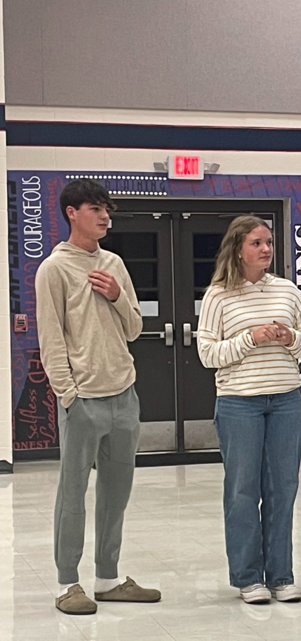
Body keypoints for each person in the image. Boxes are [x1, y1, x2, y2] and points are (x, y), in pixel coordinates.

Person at [35, 178, 161, 615]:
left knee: (116, 492)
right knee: (73, 493)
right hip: (82, 399)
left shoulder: (113, 263)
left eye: (107, 209)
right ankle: (67, 584)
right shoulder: (53, 269)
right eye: (95, 208)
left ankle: (107, 578)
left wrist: (117, 295)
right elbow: (51, 339)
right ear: (73, 213)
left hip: (123, 395)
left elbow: (133, 328)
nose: (105, 216)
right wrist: (68, 395)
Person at [197, 216, 301, 604]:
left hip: (284, 400)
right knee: (242, 491)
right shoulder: (218, 295)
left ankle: (281, 575)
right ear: (238, 249)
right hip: (238, 403)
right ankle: (248, 577)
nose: (266, 249)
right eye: (257, 243)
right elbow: (207, 354)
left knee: (283, 489)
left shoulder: (286, 290)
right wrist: (249, 338)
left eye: (268, 242)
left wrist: (289, 337)